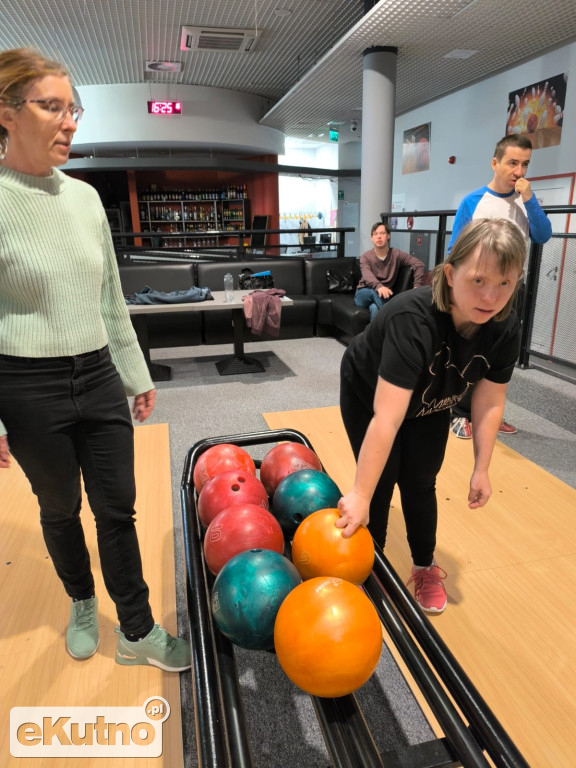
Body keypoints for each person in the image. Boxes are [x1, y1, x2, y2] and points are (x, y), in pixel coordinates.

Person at [0, 48, 190, 671]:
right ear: (6, 112)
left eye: (72, 107)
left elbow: (111, 297)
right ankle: (82, 601)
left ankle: (136, 630)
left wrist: (133, 372)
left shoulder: (84, 200)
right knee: (59, 509)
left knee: (118, 508)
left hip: (99, 373)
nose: (69, 121)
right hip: (26, 387)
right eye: (51, 106)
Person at [336, 218, 526, 613]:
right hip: (370, 391)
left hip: (431, 400)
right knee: (381, 481)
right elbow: (387, 419)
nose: (491, 297)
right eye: (478, 280)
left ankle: (424, 566)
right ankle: (375, 567)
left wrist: (481, 468)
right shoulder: (414, 319)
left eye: (504, 284)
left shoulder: (505, 326)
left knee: (421, 480)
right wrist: (358, 493)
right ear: (451, 273)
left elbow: (489, 402)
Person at [447, 134, 552, 439]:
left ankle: (489, 413)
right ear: (495, 163)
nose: (518, 171)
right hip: (476, 291)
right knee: (470, 349)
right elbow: (454, 250)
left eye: (525, 164)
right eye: (512, 163)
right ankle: (460, 413)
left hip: (511, 290)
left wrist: (530, 200)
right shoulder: (473, 202)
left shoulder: (525, 203)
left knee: (501, 353)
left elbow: (543, 235)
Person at [354, 222, 425, 321]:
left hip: (384, 296)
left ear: (388, 236)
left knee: (374, 308)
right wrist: (379, 287)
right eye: (375, 234)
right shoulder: (366, 257)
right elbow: (367, 275)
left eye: (382, 233)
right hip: (363, 294)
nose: (379, 237)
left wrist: (417, 286)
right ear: (372, 238)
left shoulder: (396, 255)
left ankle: (376, 336)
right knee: (375, 293)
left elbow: (419, 264)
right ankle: (396, 318)